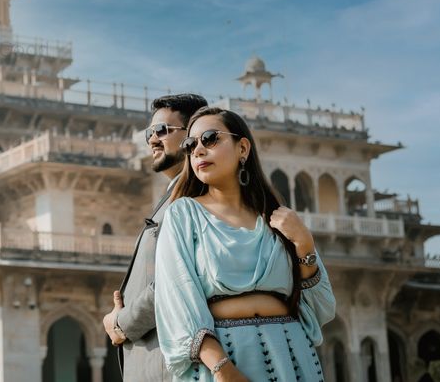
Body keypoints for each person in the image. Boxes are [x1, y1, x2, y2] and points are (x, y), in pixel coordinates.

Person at [153, 107, 336, 381]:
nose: (199, 150)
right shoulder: (183, 215)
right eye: (190, 145)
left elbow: (321, 309)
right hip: (225, 361)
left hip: (293, 357)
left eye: (210, 138)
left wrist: (304, 245)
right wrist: (222, 369)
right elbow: (177, 301)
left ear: (243, 148)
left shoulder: (277, 217)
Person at [104, 93, 208, 381]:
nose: (152, 140)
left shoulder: (193, 198)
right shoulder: (174, 197)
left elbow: (173, 283)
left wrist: (122, 323)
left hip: (168, 367)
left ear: (194, 135)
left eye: (162, 130)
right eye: (150, 132)